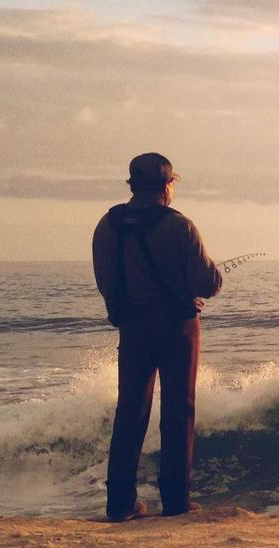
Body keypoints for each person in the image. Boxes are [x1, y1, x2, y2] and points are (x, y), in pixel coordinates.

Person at [92, 153, 223, 522]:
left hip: (132, 328)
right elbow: (208, 283)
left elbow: (105, 281)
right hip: (177, 328)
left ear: (132, 185)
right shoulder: (179, 226)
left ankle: (120, 503)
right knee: (178, 410)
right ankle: (176, 502)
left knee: (130, 412)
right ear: (167, 185)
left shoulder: (108, 224)